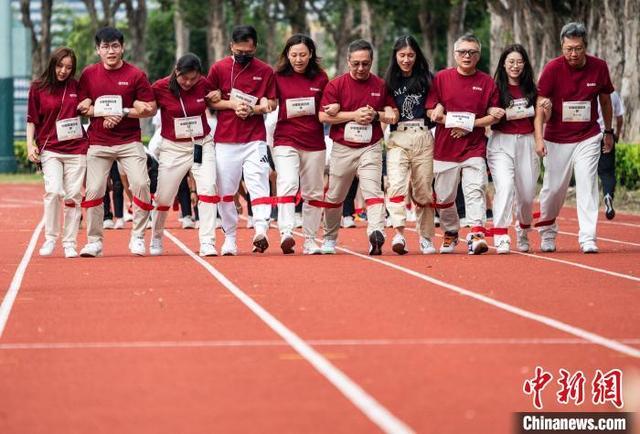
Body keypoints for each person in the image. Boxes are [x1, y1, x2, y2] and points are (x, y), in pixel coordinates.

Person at [76, 26, 157, 257]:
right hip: (98, 142)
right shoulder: (89, 74)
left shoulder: (136, 75)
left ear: (122, 48)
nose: (110, 51)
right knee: (93, 190)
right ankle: (94, 241)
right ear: (97, 50)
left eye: (114, 46)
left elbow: (148, 109)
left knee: (141, 184)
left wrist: (123, 111)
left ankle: (138, 237)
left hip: (129, 141)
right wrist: (101, 112)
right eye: (105, 47)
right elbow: (82, 106)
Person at [535, 22, 614, 253]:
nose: (573, 53)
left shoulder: (599, 67)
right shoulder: (552, 69)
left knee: (587, 184)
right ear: (561, 46)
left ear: (585, 46)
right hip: (556, 138)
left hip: (587, 136)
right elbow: (540, 104)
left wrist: (608, 132)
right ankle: (547, 231)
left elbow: (605, 101)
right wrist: (539, 138)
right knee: (553, 189)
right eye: (568, 48)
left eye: (578, 48)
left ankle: (588, 237)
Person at [318, 39, 398, 255]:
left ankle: (376, 234)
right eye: (356, 64)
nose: (361, 68)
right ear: (348, 61)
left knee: (373, 191)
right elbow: (323, 115)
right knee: (334, 197)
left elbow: (392, 114)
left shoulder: (380, 85)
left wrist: (380, 114)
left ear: (372, 61)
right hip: (343, 148)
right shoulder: (335, 85)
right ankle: (329, 238)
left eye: (365, 63)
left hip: (371, 147)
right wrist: (353, 115)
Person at [426, 33, 502, 254]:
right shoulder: (441, 78)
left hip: (474, 148)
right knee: (444, 198)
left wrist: (470, 125)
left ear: (478, 55)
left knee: (475, 189)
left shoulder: (487, 81)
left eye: (472, 52)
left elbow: (494, 115)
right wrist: (439, 112)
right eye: (462, 52)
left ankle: (477, 234)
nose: (467, 56)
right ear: (454, 54)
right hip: (444, 149)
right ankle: (450, 232)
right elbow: (431, 111)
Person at [207, 25, 277, 255]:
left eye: (248, 52)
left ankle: (261, 230)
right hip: (226, 140)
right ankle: (230, 237)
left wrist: (259, 108)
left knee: (258, 182)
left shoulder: (265, 71)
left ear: (255, 47)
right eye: (239, 52)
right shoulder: (218, 68)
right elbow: (210, 101)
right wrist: (233, 104)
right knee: (226, 190)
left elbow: (272, 102)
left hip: (254, 139)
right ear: (231, 47)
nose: (243, 56)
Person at [150, 53, 220, 256]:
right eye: (184, 78)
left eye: (193, 78)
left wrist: (217, 95)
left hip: (201, 143)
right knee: (163, 197)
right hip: (173, 147)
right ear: (176, 71)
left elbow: (217, 95)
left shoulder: (203, 84)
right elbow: (146, 106)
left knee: (208, 188)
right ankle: (156, 235)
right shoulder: (160, 87)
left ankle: (207, 241)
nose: (189, 82)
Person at [487, 44, 551, 253]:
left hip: (526, 142)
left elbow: (541, 119)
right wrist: (491, 111)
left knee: (525, 196)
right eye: (510, 62)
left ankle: (522, 230)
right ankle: (501, 235)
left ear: (525, 64)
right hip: (501, 142)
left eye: (519, 61)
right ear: (503, 64)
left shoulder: (532, 89)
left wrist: (547, 111)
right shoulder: (495, 88)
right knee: (504, 187)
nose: (515, 66)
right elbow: (486, 111)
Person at [26, 47, 88, 258]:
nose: (63, 71)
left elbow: (87, 105)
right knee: (53, 192)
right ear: (52, 64)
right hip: (49, 148)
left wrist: (87, 103)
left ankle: (69, 242)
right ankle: (51, 238)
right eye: (60, 66)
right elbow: (31, 120)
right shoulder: (37, 88)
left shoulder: (76, 86)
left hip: (76, 148)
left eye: (69, 68)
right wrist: (29, 145)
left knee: (73, 196)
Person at [273, 34, 329, 254]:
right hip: (286, 139)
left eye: (303, 54)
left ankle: (309, 239)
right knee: (287, 183)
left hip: (314, 142)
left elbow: (327, 106)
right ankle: (286, 231)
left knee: (314, 192)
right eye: (294, 55)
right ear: (287, 55)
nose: (298, 59)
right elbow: (267, 100)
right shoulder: (277, 77)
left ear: (311, 54)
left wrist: (331, 109)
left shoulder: (321, 78)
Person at [383, 35, 436, 255]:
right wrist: (386, 112)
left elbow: (435, 105)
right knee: (396, 185)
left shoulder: (427, 78)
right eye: (402, 55)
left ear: (417, 56)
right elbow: (383, 106)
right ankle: (399, 233)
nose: (406, 59)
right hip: (398, 137)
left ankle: (425, 237)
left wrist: (437, 110)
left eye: (410, 55)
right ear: (395, 56)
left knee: (423, 190)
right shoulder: (388, 81)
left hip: (423, 135)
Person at [597, 90, 624, 220]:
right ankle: (607, 194)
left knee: (588, 172)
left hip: (589, 136)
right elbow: (619, 117)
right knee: (607, 172)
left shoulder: (588, 89)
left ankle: (588, 205)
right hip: (606, 135)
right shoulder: (613, 93)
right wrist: (616, 134)